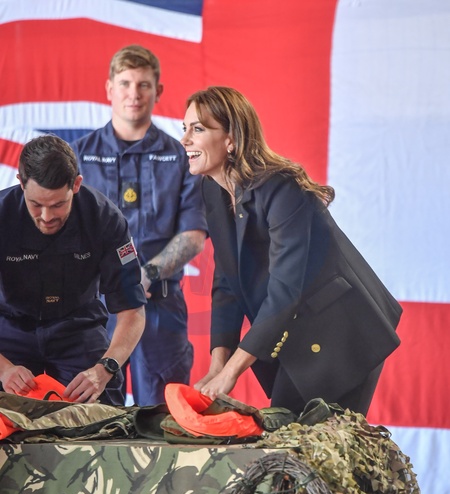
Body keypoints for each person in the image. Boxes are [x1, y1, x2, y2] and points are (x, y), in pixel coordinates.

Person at [181, 86, 403, 416]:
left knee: (311, 442)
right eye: (184, 128)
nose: (185, 139)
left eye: (197, 129)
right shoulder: (212, 189)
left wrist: (232, 372)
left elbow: (285, 291)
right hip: (295, 331)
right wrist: (218, 365)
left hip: (343, 331)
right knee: (290, 434)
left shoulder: (281, 187)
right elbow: (228, 281)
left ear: (231, 139)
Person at [72, 45, 207, 406]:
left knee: (161, 416)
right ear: (109, 89)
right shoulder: (78, 155)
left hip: (159, 307)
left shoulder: (181, 156)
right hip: (94, 312)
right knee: (94, 416)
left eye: (144, 85)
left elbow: (193, 235)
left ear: (158, 91)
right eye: (125, 83)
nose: (134, 94)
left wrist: (144, 276)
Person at [0, 134, 146, 405]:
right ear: (20, 183)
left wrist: (106, 368)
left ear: (76, 185)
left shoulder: (105, 218)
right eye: (36, 205)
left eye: (58, 205)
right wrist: (4, 369)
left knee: (103, 405)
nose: (46, 217)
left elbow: (132, 310)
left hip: (76, 327)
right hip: (9, 328)